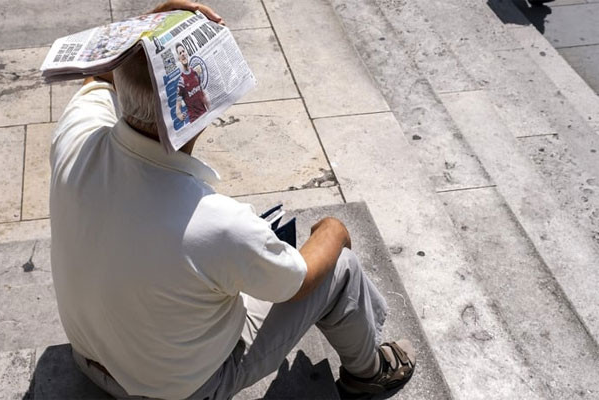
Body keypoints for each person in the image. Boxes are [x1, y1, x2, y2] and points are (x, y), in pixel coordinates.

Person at [49, 1, 416, 399]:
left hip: (90, 359)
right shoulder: (217, 223)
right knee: (338, 268)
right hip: (175, 389)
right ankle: (370, 374)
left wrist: (155, 23)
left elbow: (99, 76)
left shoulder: (77, 134)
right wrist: (335, 232)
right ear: (196, 111)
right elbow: (295, 282)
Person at [174, 42, 210, 123]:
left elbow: (203, 94)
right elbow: (177, 107)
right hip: (195, 120)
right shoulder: (181, 81)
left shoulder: (195, 73)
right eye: (180, 53)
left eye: (183, 51)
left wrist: (210, 109)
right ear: (179, 58)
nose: (182, 54)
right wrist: (179, 115)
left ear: (186, 54)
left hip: (205, 115)